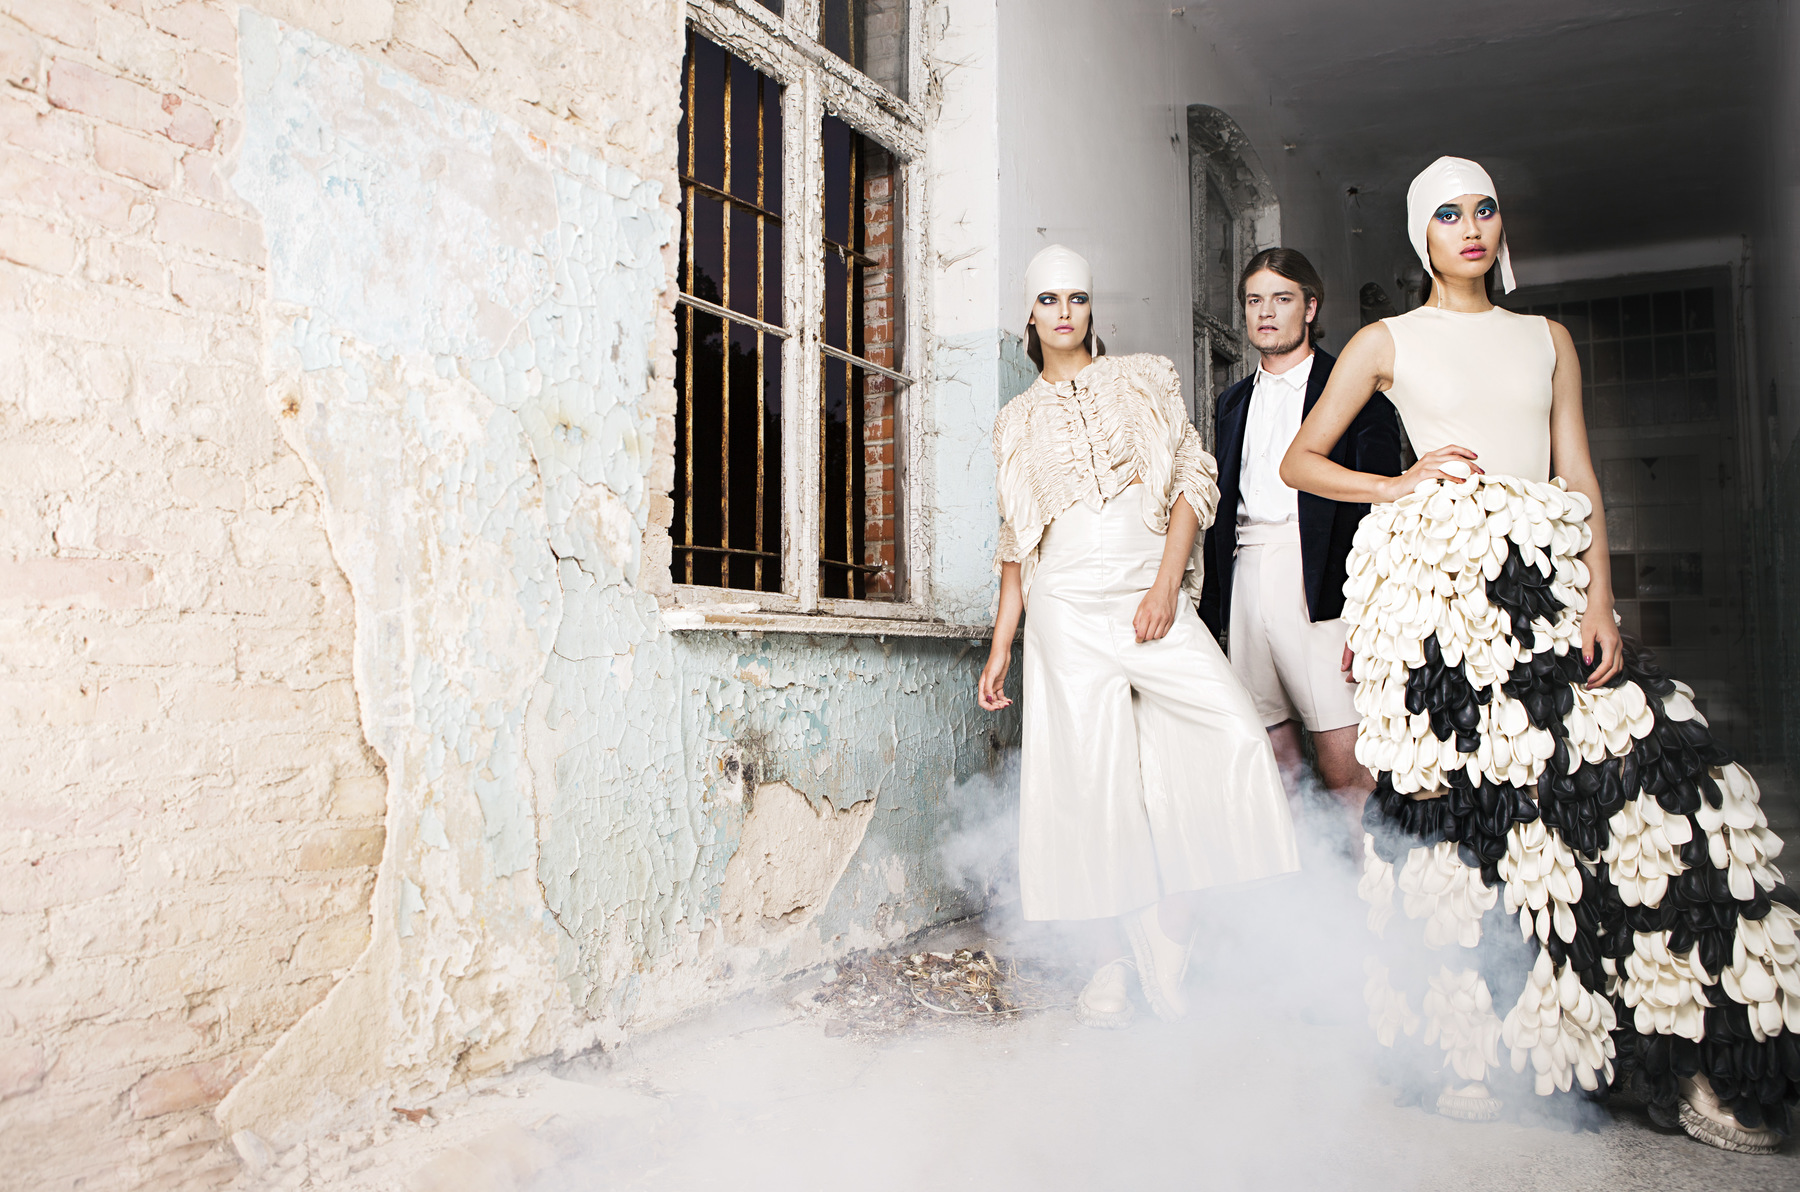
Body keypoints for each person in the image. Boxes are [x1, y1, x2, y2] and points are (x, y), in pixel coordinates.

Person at [1281, 156, 1799, 1151]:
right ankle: (1470, 1048)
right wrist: (1400, 484)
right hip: (1445, 603)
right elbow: (1299, 459)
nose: (1470, 226)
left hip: (1549, 588)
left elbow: (1580, 473)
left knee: (1643, 793)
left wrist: (1601, 596)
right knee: (1468, 817)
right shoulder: (1389, 341)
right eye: (1447, 214)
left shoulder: (1546, 338)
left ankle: (1681, 1055)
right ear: (1421, 235)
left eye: (1483, 208)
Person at [978, 244, 1299, 1028]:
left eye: (1076, 298)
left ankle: (1170, 928)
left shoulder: (1146, 378)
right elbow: (1018, 543)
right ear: (1029, 315)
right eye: (1048, 299)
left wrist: (1164, 586)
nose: (1063, 312)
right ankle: (1108, 965)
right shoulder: (1014, 421)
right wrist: (1001, 645)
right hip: (1064, 607)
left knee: (1233, 734)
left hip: (1145, 593)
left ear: (1091, 307)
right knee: (1087, 787)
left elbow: (1192, 480)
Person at [1199, 249, 1401, 843]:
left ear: (1310, 308)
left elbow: (1382, 506)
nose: (1266, 313)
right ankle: (1300, 891)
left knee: (1345, 767)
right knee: (1273, 767)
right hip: (1246, 573)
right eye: (1254, 300)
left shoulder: (1353, 389)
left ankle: (1370, 890)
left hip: (1321, 581)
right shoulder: (1231, 402)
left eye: (1282, 299)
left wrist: (1371, 615)